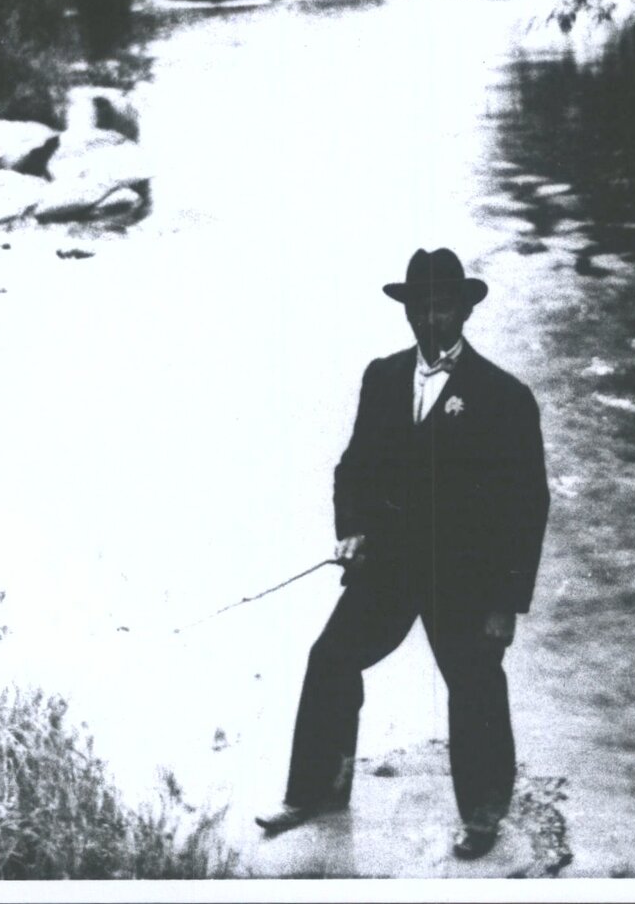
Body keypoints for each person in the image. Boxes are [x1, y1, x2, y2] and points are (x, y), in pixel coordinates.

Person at [255, 248, 551, 861]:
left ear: (464, 312)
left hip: (466, 582)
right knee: (330, 659)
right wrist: (353, 529)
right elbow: (353, 468)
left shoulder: (504, 395)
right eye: (420, 308)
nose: (431, 320)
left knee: (475, 690)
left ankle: (484, 815)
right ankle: (317, 791)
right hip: (387, 569)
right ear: (408, 312)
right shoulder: (383, 376)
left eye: (443, 307)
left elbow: (527, 509)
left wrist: (506, 604)